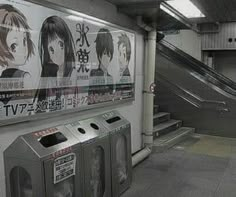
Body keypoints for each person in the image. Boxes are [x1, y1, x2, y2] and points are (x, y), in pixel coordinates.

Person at [36, 16, 76, 111]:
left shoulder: (73, 74)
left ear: (67, 44)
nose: (57, 53)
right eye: (51, 49)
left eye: (61, 45)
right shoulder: (48, 76)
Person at [0, 4, 35, 105]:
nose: (23, 49)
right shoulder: (24, 78)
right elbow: (31, 103)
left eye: (24, 40)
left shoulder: (2, 78)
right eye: (14, 46)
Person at [88, 28, 114, 104]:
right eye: (105, 54)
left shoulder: (110, 78)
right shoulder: (94, 73)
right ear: (99, 55)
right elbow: (90, 99)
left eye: (109, 55)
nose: (107, 58)